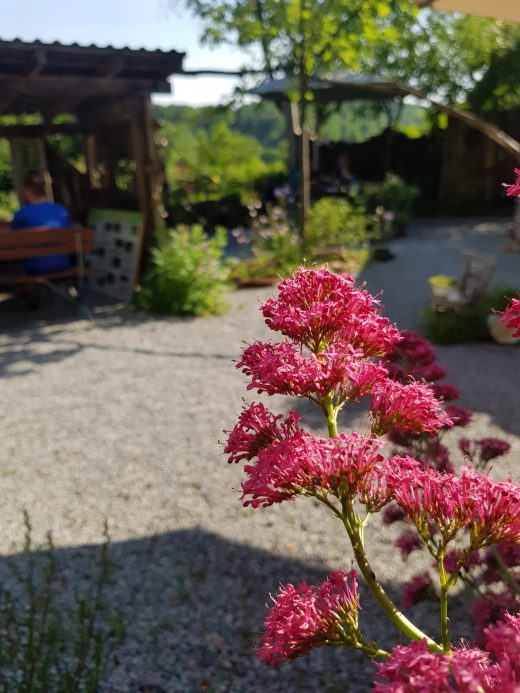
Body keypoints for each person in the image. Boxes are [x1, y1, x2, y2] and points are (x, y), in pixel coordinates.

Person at [11, 172, 71, 274]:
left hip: (35, 267)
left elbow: (13, 239)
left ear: (28, 191)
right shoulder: (61, 210)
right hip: (62, 263)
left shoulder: (22, 214)